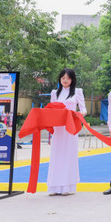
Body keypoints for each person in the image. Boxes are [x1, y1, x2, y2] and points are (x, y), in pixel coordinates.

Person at [47, 68, 87, 196]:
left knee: (69, 155)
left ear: (72, 79)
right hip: (58, 129)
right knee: (56, 156)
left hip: (70, 128)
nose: (65, 80)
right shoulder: (54, 93)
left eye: (68, 78)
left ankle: (67, 187)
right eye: (63, 78)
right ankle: (54, 187)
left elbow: (84, 110)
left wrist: (76, 115)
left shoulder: (77, 92)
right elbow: (51, 109)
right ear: (60, 79)